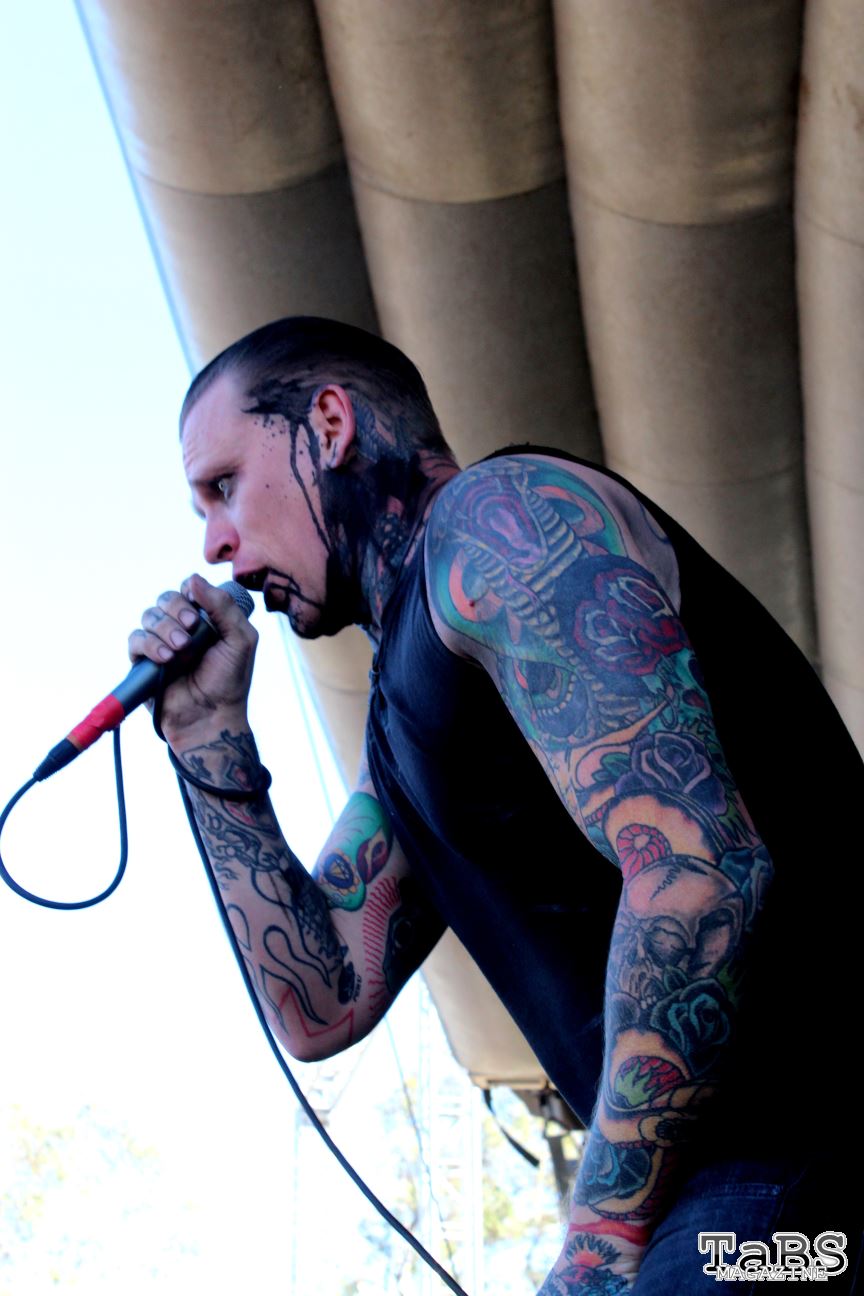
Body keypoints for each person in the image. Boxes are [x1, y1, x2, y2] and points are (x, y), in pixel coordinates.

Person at [130, 316, 862, 1293]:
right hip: (724, 1194)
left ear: (329, 425)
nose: (217, 545)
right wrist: (206, 732)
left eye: (222, 485)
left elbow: (700, 872)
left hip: (805, 1165)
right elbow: (323, 1001)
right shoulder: (403, 721)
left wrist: (597, 1242)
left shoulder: (501, 524)